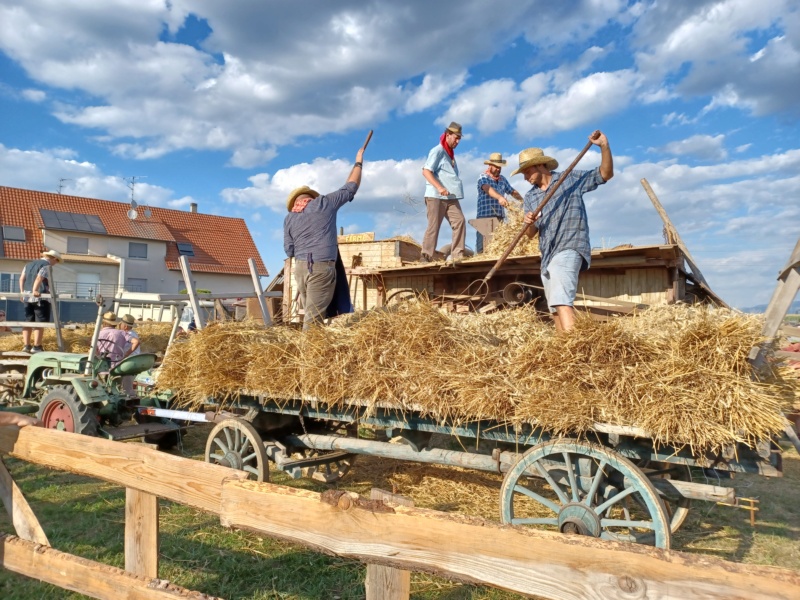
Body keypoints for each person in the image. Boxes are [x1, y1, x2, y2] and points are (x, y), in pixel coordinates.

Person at [516, 131, 613, 332]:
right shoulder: (531, 197)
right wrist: (529, 222)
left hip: (570, 245)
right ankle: (563, 352)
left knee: (562, 299)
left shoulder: (569, 180)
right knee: (554, 308)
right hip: (548, 255)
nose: (525, 177)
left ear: (540, 165)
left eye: (527, 171)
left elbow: (605, 174)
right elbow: (530, 234)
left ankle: (575, 346)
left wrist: (604, 146)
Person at [284, 144, 366, 329]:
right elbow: (350, 188)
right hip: (321, 268)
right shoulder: (323, 204)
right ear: (311, 198)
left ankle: (314, 350)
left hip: (300, 269)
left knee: (311, 314)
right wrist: (358, 163)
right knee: (313, 321)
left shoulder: (289, 218)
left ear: (295, 202)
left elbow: (289, 250)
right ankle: (307, 355)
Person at [421, 122, 466, 263]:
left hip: (451, 197)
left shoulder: (450, 155)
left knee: (460, 221)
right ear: (448, 135)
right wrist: (439, 187)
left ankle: (458, 255)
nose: (458, 141)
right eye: (456, 138)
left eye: (460, 138)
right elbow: (426, 171)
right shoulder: (438, 151)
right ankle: (426, 256)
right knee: (434, 225)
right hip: (436, 196)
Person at [475, 152, 524, 253]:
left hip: (500, 218)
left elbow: (512, 191)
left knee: (498, 247)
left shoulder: (502, 179)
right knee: (482, 248)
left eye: (500, 167)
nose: (498, 169)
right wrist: (499, 197)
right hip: (485, 218)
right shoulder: (483, 177)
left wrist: (522, 200)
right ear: (490, 165)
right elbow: (487, 188)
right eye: (496, 167)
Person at [19, 249, 62, 353]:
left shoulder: (28, 265)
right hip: (41, 297)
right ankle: (37, 347)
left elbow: (21, 279)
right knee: (40, 322)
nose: (56, 264)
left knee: (28, 321)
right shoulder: (47, 266)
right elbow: (39, 278)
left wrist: (22, 292)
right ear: (54, 259)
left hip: (27, 296)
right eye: (56, 261)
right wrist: (35, 290)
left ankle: (26, 346)